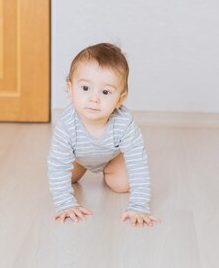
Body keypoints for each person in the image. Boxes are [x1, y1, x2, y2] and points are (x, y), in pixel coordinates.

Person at [47, 43, 160, 227]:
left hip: (111, 158)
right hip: (78, 158)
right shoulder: (66, 123)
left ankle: (109, 171)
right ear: (70, 89)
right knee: (63, 179)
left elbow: (137, 162)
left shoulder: (124, 123)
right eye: (85, 88)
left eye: (106, 92)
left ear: (120, 99)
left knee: (122, 184)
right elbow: (57, 164)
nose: (94, 98)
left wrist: (139, 206)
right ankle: (78, 173)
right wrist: (65, 204)